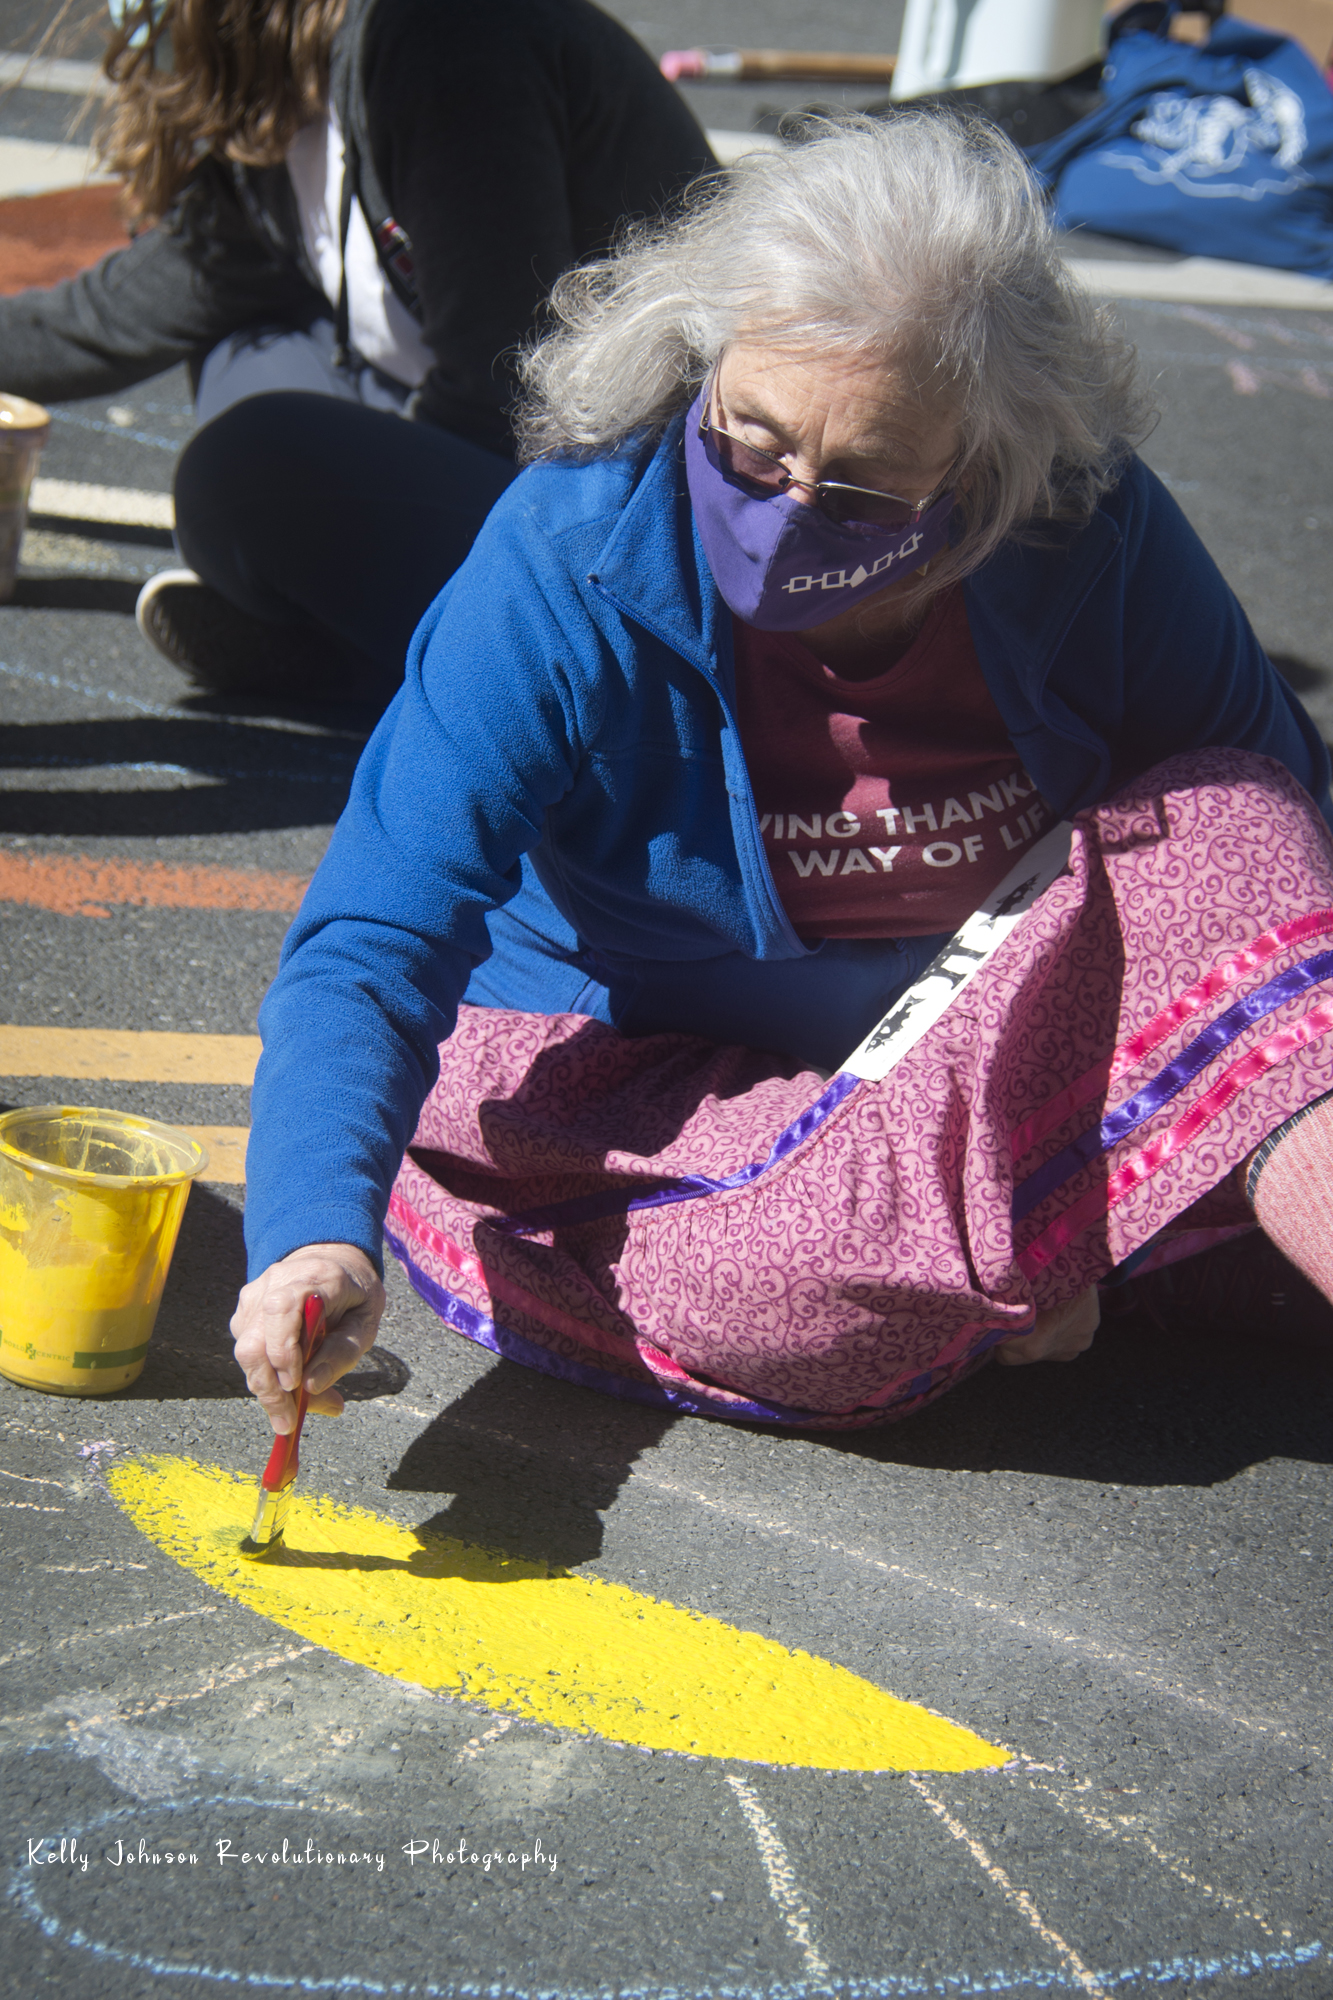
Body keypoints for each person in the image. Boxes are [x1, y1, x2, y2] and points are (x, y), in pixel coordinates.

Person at [229, 110, 1333, 1438]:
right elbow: (373, 933)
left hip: (987, 1052)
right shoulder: (567, 559)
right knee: (752, 1279)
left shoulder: (1080, 532)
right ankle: (1100, 1230)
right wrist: (307, 1237)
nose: (787, 509)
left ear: (986, 470)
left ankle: (1046, 1240)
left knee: (1243, 825)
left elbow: (1272, 863)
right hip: (655, 1098)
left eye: (864, 490)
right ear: (698, 363)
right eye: (750, 444)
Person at [0, 0, 714, 700]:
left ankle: (413, 664)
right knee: (240, 342)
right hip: (531, 461)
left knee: (244, 469)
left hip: (651, 527)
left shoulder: (446, 37)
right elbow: (106, 317)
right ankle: (363, 628)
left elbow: (508, 387)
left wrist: (331, 529)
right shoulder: (285, 125)